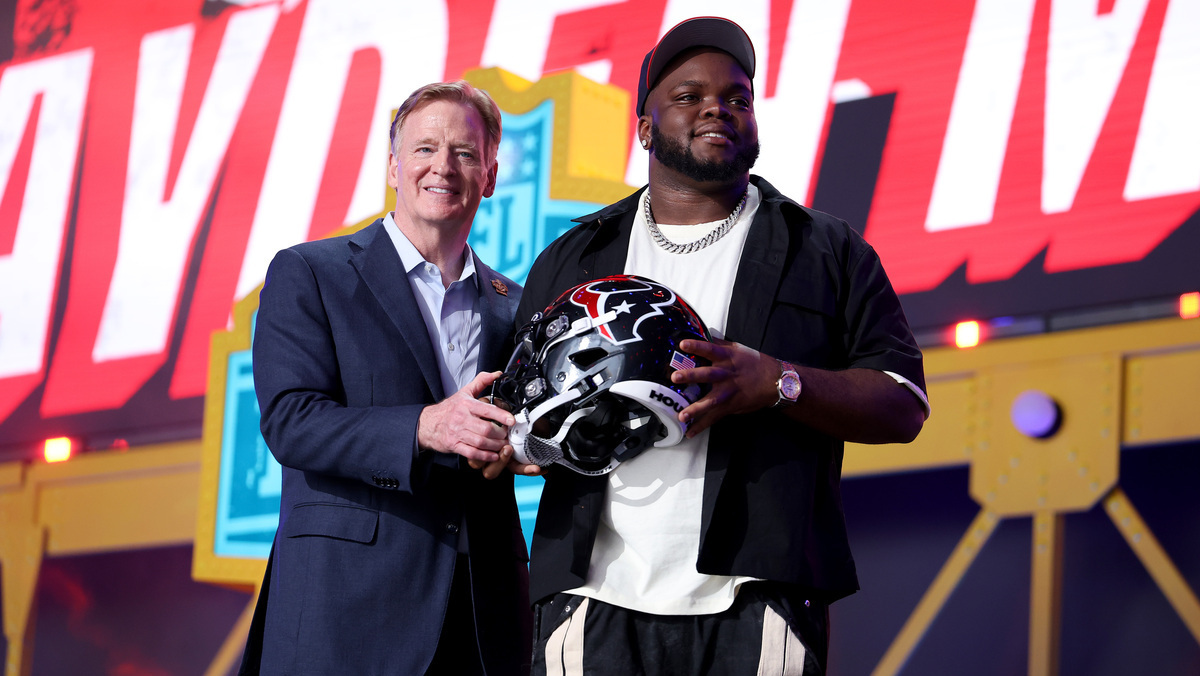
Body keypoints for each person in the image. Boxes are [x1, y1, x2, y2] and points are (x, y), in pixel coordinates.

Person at [514, 17, 931, 675]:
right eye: (689, 95)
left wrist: (778, 383)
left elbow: (903, 404)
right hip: (593, 596)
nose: (718, 107)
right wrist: (532, 438)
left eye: (738, 98)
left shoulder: (826, 250)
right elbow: (516, 418)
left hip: (756, 597)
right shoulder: (574, 259)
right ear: (646, 127)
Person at [240, 80, 532, 676]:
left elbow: (515, 431)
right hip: (346, 614)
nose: (443, 167)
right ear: (395, 166)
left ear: (491, 176)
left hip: (481, 618)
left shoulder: (515, 305)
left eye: (465, 153)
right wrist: (426, 427)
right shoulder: (310, 272)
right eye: (424, 149)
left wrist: (522, 445)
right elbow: (291, 422)